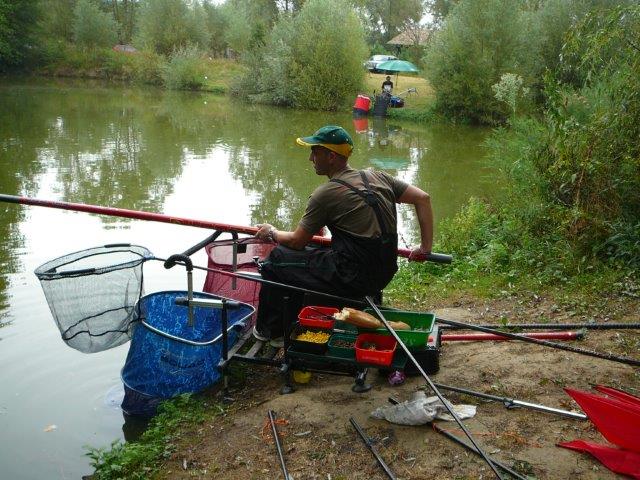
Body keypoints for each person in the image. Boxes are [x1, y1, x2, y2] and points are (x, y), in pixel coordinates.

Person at [252, 125, 433, 345]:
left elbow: (297, 242)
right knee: (316, 251)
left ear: (331, 156)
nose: (310, 158)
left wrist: (271, 231)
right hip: (385, 271)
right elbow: (423, 198)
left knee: (277, 259)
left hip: (355, 276)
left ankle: (271, 332)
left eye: (315, 151)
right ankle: (303, 319)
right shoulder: (377, 176)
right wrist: (425, 248)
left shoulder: (326, 193)